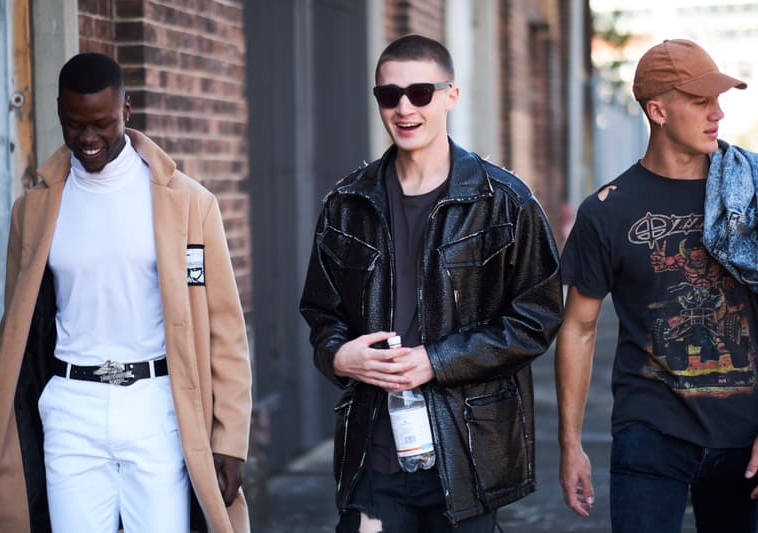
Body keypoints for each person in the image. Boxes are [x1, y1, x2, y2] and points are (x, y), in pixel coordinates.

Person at [0, 53, 252, 532]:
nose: (87, 138)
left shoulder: (187, 203)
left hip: (157, 405)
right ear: (60, 112)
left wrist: (230, 436)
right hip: (71, 406)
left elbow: (225, 326)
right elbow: (17, 326)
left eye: (102, 123)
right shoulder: (34, 209)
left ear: (126, 110)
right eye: (74, 124)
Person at [299, 34, 563, 532]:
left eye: (421, 92)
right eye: (388, 95)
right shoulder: (347, 203)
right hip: (372, 456)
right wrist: (337, 354)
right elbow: (320, 310)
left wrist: (435, 360)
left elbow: (538, 317)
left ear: (451, 96)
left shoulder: (505, 201)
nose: (404, 107)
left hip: (464, 455)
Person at [556, 38, 758, 532]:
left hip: (745, 433)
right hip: (650, 430)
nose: (717, 114)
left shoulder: (749, 191)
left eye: (718, 100)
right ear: (657, 110)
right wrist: (571, 444)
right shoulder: (607, 211)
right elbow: (579, 329)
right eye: (700, 101)